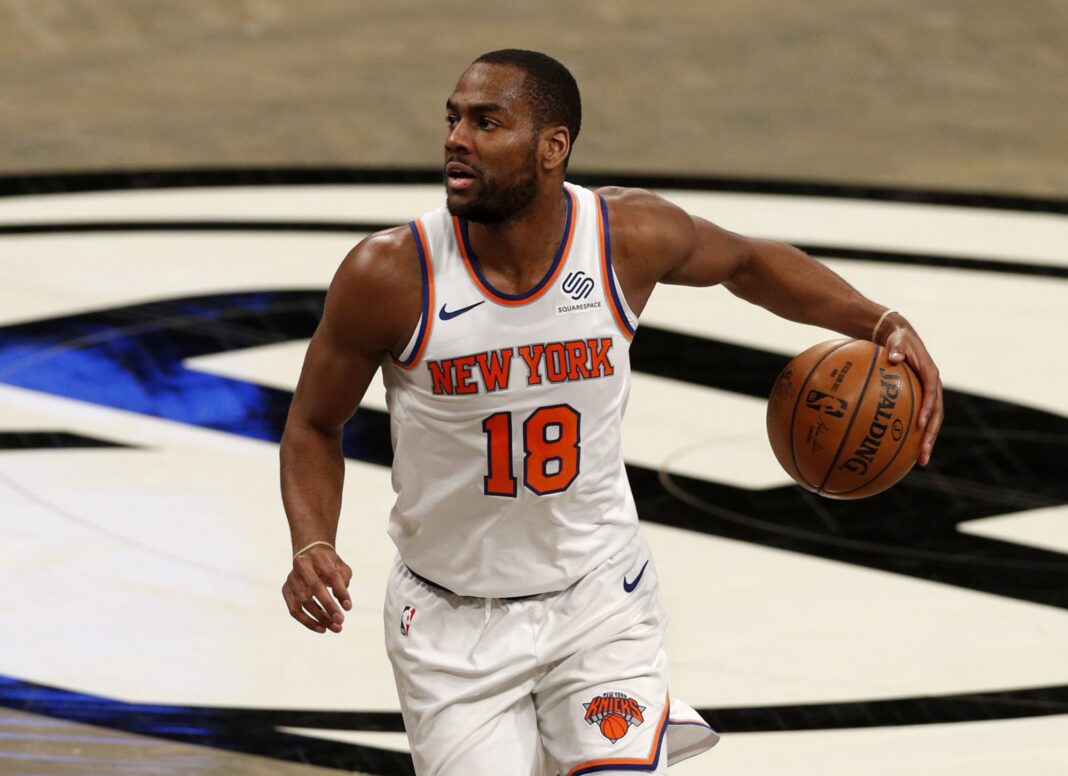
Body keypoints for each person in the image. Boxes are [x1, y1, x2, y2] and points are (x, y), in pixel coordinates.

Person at [280, 49, 944, 775]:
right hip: (451, 620)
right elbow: (313, 424)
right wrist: (312, 543)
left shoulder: (624, 238)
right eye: (453, 119)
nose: (456, 140)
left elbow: (747, 263)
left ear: (552, 147)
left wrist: (882, 323)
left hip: (599, 600)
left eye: (486, 123)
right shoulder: (390, 275)